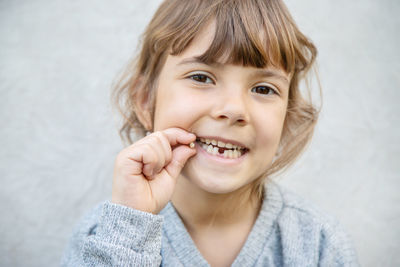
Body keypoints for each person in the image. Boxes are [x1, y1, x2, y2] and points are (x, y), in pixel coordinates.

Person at [61, 0, 359, 266]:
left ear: (286, 116)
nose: (233, 109)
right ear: (145, 101)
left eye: (263, 89)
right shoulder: (104, 237)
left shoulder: (319, 246)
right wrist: (131, 231)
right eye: (202, 77)